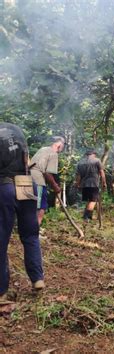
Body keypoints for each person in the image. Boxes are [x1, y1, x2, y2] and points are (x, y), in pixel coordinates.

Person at [0, 123, 45, 301]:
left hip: (4, 187)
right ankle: (37, 279)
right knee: (30, 235)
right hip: (25, 183)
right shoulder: (17, 131)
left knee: (2, 239)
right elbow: (27, 161)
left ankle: (1, 290)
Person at [30, 136, 65, 226]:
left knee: (31, 206)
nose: (63, 147)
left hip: (28, 179)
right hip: (38, 182)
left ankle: (29, 230)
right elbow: (48, 173)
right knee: (40, 207)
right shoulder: (53, 154)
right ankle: (35, 231)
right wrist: (55, 187)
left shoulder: (42, 149)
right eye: (63, 144)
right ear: (59, 145)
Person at [75, 150, 106, 220]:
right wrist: (104, 183)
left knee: (89, 200)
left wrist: (77, 184)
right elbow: (102, 172)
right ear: (93, 154)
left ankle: (89, 216)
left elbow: (78, 175)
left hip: (84, 184)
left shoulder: (80, 162)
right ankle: (86, 216)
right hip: (93, 183)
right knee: (93, 201)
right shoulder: (97, 161)